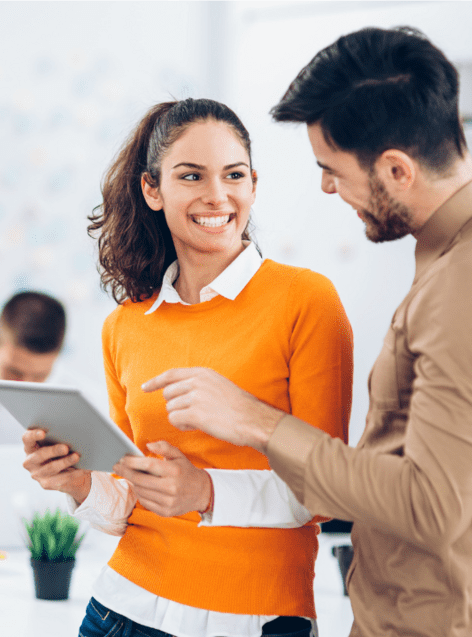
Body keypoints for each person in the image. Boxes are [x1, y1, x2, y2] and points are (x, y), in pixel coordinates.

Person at [142, 28, 472, 637]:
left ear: (397, 169)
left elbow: (432, 505)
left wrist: (257, 421)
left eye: (332, 170)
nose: (327, 188)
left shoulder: (470, 281)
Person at [23, 98, 353, 637]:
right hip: (119, 610)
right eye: (191, 176)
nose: (217, 196)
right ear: (153, 190)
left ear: (253, 185)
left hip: (252, 617)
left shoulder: (307, 301)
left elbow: (327, 490)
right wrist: (79, 483)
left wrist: (204, 491)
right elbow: (129, 497)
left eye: (234, 175)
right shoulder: (126, 325)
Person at [0, 290, 91, 444]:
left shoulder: (86, 402)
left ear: (58, 355)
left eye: (40, 376)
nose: (26, 384)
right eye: (14, 372)